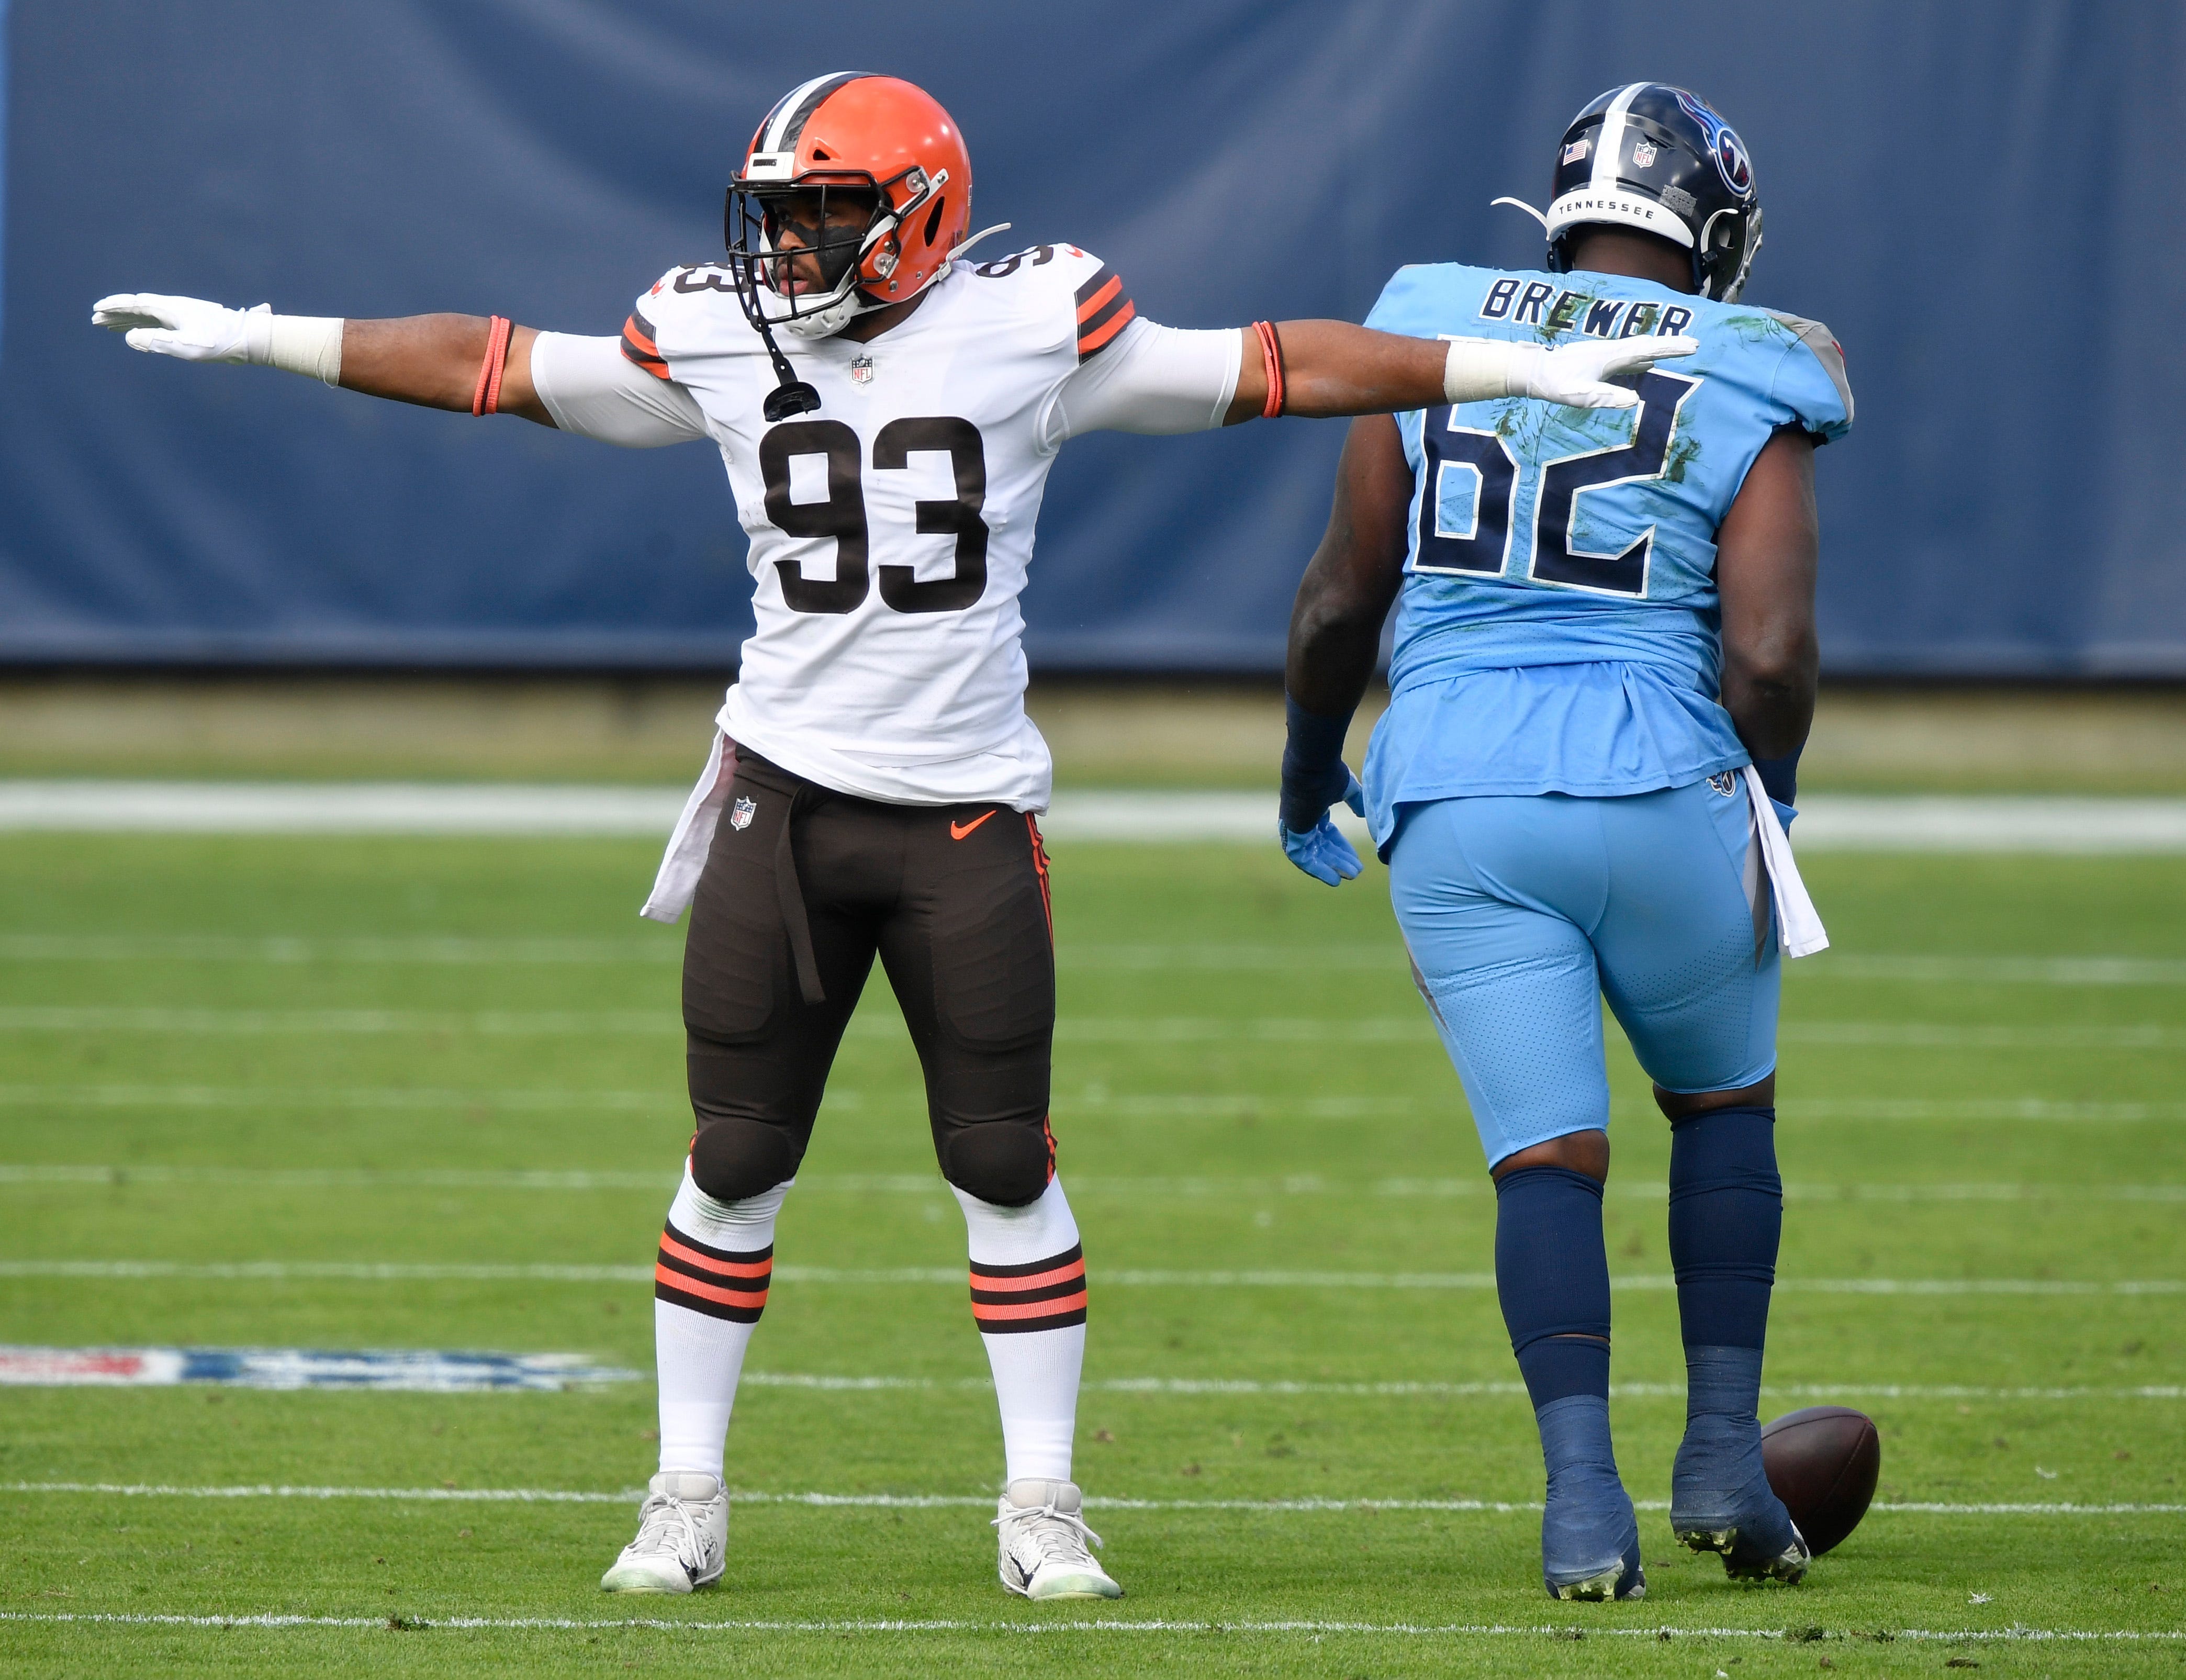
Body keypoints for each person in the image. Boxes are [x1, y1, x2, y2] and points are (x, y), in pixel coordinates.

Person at [93, 71, 1691, 1603]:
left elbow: (1270, 364)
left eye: (818, 212)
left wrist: (1494, 365)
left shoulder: (1033, 325)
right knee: (732, 1158)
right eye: (775, 214)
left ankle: (1042, 1499)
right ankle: (688, 1491)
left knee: (1003, 1159)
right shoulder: (716, 335)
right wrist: (267, 336)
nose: (779, 248)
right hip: (778, 806)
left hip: (965, 814)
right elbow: (502, 365)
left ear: (915, 216)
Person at [1277, 83, 1851, 1602]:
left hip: (1455, 788)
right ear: (1714, 234)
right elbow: (1771, 659)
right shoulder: (1759, 365)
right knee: (1722, 1113)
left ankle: (1581, 1510)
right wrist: (1768, 794)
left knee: (1546, 1158)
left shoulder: (1428, 318)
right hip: (1663, 779)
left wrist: (1298, 772)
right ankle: (1723, 1462)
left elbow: (1345, 593)